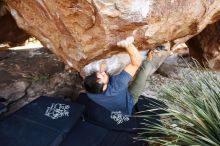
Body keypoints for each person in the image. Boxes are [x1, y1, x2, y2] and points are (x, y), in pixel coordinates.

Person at [83, 37, 161, 115]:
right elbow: (136, 63)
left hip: (116, 104)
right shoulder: (117, 85)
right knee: (143, 75)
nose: (103, 73)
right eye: (103, 76)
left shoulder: (90, 93)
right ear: (104, 88)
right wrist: (128, 45)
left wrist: (102, 70)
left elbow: (98, 78)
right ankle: (150, 57)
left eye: (99, 74)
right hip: (129, 102)